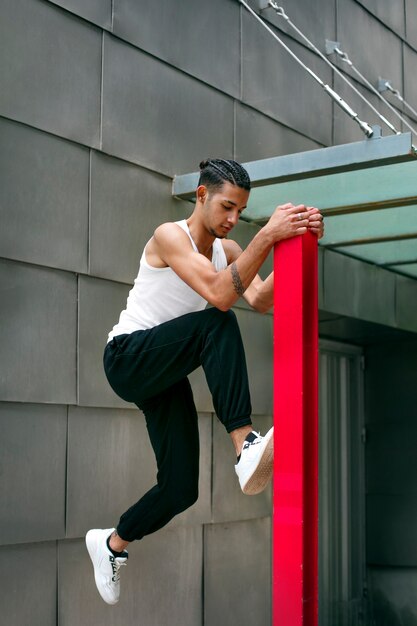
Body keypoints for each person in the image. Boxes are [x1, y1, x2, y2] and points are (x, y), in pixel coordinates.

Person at [86, 158, 324, 605]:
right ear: (201, 195)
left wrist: (295, 241)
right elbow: (219, 294)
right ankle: (245, 443)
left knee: (180, 488)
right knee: (216, 321)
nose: (234, 220)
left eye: (241, 211)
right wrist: (267, 235)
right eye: (227, 207)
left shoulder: (228, 250)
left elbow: (260, 299)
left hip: (164, 371)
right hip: (127, 357)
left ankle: (112, 544)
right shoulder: (168, 235)